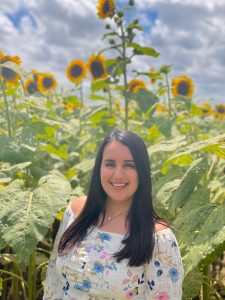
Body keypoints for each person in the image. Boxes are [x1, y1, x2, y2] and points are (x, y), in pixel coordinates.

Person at [43, 130, 184, 299]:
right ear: (99, 168)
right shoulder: (75, 212)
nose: (118, 175)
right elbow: (53, 281)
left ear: (142, 172)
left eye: (129, 165)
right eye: (110, 164)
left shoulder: (158, 238)